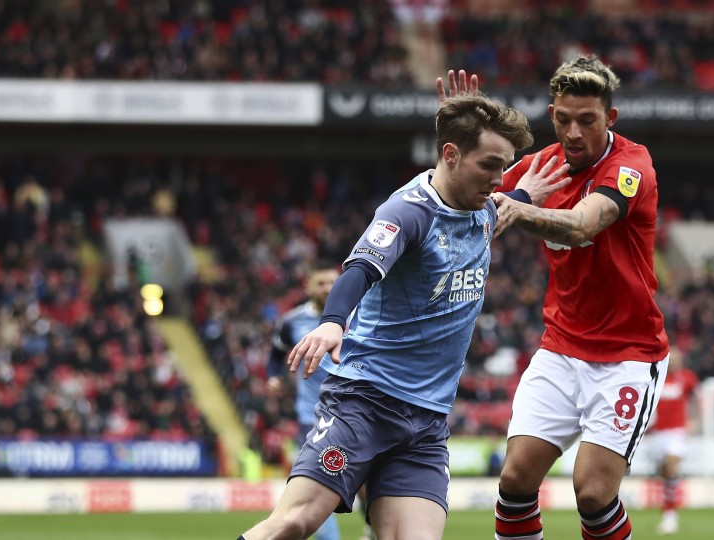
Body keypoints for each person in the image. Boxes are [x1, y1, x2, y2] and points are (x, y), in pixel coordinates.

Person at [237, 93, 567, 540]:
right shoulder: (409, 211)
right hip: (365, 402)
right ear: (450, 155)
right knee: (293, 524)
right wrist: (333, 320)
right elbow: (360, 269)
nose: (499, 179)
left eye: (505, 167)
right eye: (490, 165)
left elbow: (505, 203)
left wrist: (527, 194)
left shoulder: (483, 210)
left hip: (426, 422)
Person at [439, 55, 671, 540]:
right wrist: (457, 146)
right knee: (516, 479)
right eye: (563, 119)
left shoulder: (631, 165)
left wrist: (519, 208)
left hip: (628, 355)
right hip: (561, 349)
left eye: (587, 121)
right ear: (551, 115)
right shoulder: (540, 166)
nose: (573, 132)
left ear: (609, 119)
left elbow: (586, 224)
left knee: (591, 492)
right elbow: (457, 194)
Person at [266, 261, 342, 540]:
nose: (327, 289)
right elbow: (275, 354)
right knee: (314, 488)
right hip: (310, 419)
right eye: (320, 283)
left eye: (332, 283)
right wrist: (273, 377)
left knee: (366, 488)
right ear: (308, 286)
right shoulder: (291, 322)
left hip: (353, 413)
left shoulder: (358, 316)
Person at [643, 351, 698, 535]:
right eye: (671, 359)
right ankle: (668, 509)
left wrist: (694, 420)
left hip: (677, 431)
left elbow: (696, 399)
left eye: (676, 359)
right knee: (664, 474)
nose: (673, 362)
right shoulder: (655, 377)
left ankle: (670, 516)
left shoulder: (687, 378)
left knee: (670, 466)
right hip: (657, 433)